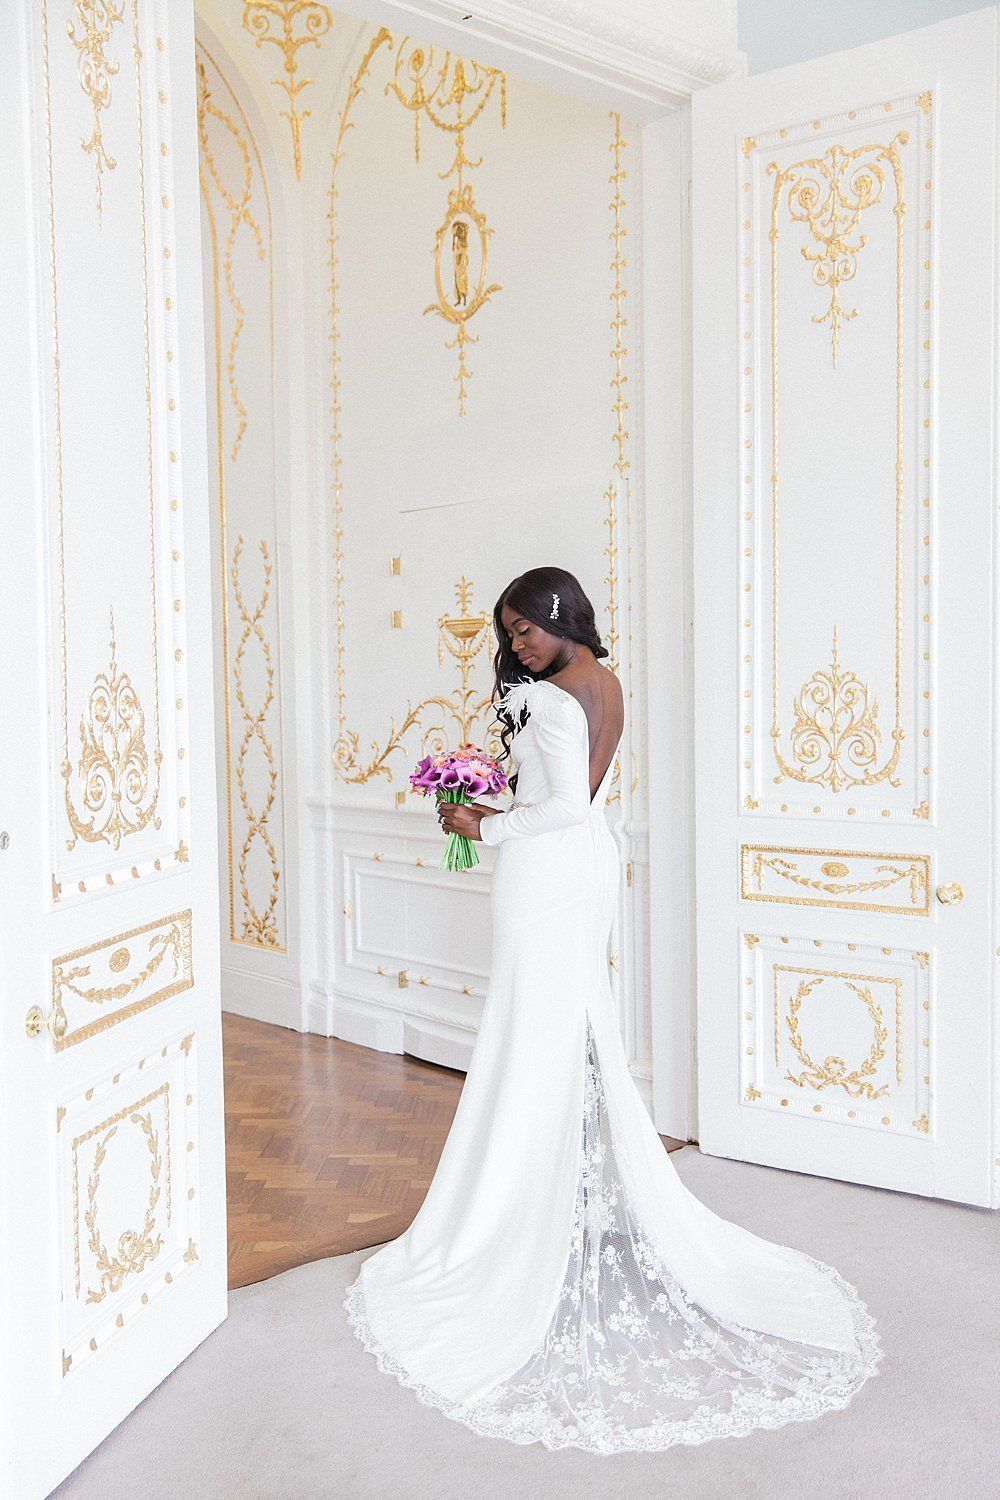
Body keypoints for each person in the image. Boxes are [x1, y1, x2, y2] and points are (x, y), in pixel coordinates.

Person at [344, 565, 882, 1453]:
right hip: (586, 869)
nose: (515, 646)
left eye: (525, 630)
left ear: (562, 617)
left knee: (533, 1030)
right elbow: (579, 804)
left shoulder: (553, 700)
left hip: (546, 871)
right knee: (566, 1026)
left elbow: (554, 805)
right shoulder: (605, 682)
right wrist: (500, 805)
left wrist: (482, 825)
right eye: (507, 634)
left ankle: (522, 1212)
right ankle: (576, 1192)